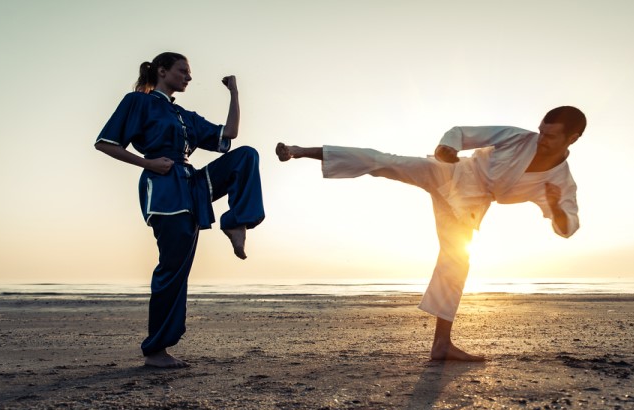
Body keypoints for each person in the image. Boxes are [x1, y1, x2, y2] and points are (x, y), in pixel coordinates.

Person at [275, 106, 585, 361]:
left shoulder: (560, 180)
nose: (541, 139)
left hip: (468, 207)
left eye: (550, 136)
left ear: (572, 138)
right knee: (385, 162)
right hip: (450, 172)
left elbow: (567, 227)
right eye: (541, 131)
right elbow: (462, 133)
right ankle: (299, 150)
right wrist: (446, 148)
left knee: (456, 264)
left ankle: (442, 345)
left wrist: (556, 208)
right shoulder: (519, 138)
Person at [95, 52, 265, 368]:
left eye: (189, 72)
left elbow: (229, 134)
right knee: (173, 269)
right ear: (162, 71)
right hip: (164, 190)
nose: (188, 76)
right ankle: (156, 351)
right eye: (182, 70)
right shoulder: (138, 102)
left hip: (193, 186)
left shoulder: (184, 114)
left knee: (246, 156)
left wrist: (234, 92)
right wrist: (146, 162)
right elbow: (105, 143)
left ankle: (236, 222)